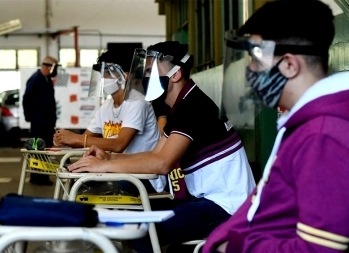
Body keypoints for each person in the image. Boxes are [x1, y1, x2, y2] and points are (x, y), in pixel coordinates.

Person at [202, 1, 349, 252]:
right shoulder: (309, 123)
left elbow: (317, 249)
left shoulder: (326, 137)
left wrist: (233, 247)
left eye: (255, 59)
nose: (250, 70)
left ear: (289, 64)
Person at [67, 41, 256, 252]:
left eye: (150, 71)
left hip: (228, 207)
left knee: (141, 229)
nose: (145, 77)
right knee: (135, 217)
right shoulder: (182, 105)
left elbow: (162, 164)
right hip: (208, 200)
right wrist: (108, 159)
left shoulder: (193, 106)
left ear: (175, 75)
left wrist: (102, 167)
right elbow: (155, 153)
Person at [53, 50, 165, 193]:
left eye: (107, 73)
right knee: (75, 178)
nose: (103, 78)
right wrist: (65, 139)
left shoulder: (137, 103)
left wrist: (76, 138)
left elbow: (118, 144)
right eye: (102, 73)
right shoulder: (106, 106)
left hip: (144, 177)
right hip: (118, 170)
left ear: (125, 75)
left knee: (85, 185)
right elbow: (86, 138)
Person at [23, 56, 58, 186]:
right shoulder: (35, 80)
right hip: (39, 122)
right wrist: (29, 116)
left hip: (47, 122)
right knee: (38, 150)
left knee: (45, 150)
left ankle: (42, 176)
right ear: (48, 66)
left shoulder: (46, 79)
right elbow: (26, 99)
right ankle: (37, 177)